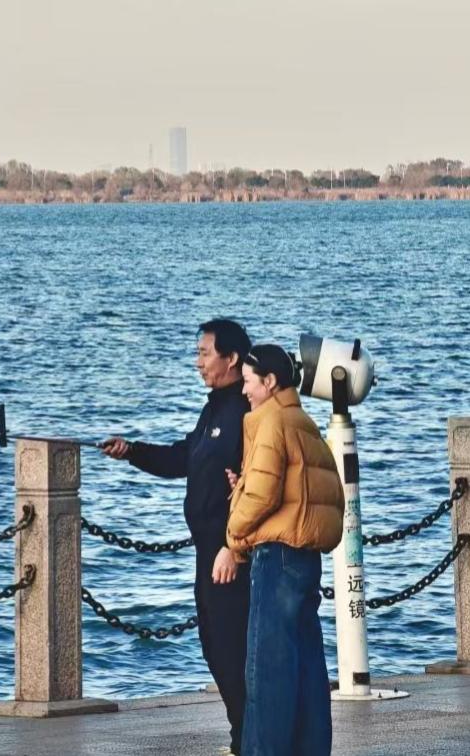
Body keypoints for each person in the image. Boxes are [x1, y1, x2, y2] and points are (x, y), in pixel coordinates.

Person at [103, 318, 252, 756]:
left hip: (233, 554)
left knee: (232, 649)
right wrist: (133, 452)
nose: (198, 362)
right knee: (214, 647)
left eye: (205, 353)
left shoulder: (244, 410)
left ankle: (250, 739)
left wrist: (235, 543)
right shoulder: (213, 410)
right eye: (198, 354)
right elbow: (184, 457)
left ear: (232, 359)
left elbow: (258, 481)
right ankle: (242, 735)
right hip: (206, 551)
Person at [226, 344, 345, 756]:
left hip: (275, 556)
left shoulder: (271, 422)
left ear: (269, 381)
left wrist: (233, 533)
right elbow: (325, 494)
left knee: (267, 670)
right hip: (304, 558)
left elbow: (262, 496)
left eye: (248, 382)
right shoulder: (305, 423)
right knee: (306, 668)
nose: (244, 392)